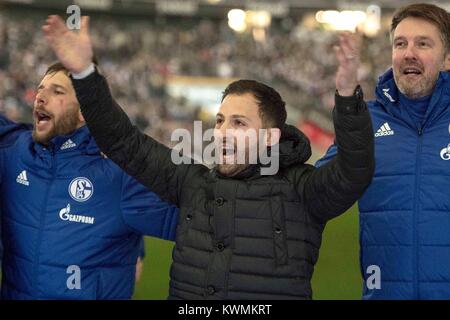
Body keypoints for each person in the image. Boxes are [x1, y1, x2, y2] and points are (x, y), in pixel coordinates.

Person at [43, 15, 374, 299]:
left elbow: (353, 172)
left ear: (270, 138)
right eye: (220, 121)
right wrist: (85, 75)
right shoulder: (192, 182)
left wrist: (347, 97)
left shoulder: (302, 190)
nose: (223, 132)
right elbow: (124, 142)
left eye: (239, 123)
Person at [0, 62, 179, 299]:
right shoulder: (13, 152)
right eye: (40, 89)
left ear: (86, 110)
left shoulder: (119, 173)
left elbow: (205, 220)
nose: (40, 97)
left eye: (57, 91)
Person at [316, 3, 450, 299]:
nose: (408, 53)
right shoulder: (366, 121)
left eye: (423, 43)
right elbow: (313, 189)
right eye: (400, 43)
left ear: (447, 58)